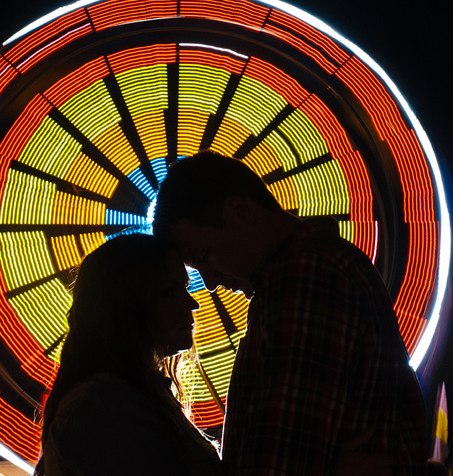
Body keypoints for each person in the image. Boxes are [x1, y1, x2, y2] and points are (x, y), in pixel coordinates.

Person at [152, 151, 429, 476]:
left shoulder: (305, 276)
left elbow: (280, 460)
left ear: (241, 212)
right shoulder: (320, 267)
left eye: (205, 255)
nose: (209, 283)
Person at [35, 233, 220, 476]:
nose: (192, 304)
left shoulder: (121, 398)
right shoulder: (104, 408)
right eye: (168, 291)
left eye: (184, 288)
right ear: (122, 307)